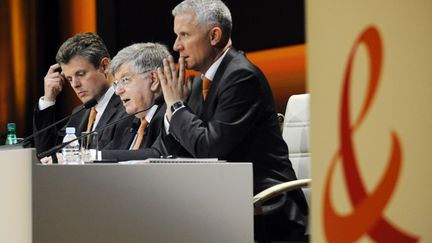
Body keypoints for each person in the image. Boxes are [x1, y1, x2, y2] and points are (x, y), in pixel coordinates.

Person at [156, 0, 309, 240]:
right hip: (224, 202)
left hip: (266, 207)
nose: (176, 46)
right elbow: (179, 151)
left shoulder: (240, 77)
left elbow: (210, 149)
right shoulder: (201, 83)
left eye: (184, 35)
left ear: (214, 35)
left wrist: (176, 107)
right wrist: (174, 113)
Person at [33, 32, 134, 159]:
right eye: (69, 79)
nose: (75, 84)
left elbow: (114, 158)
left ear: (104, 66)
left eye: (80, 74)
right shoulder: (80, 113)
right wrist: (48, 99)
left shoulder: (128, 107)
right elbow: (46, 155)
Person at [101, 42, 183, 161]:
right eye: (116, 83)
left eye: (125, 80)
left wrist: (94, 156)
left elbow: (158, 155)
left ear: (153, 79)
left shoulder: (170, 118)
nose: (118, 91)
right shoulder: (125, 123)